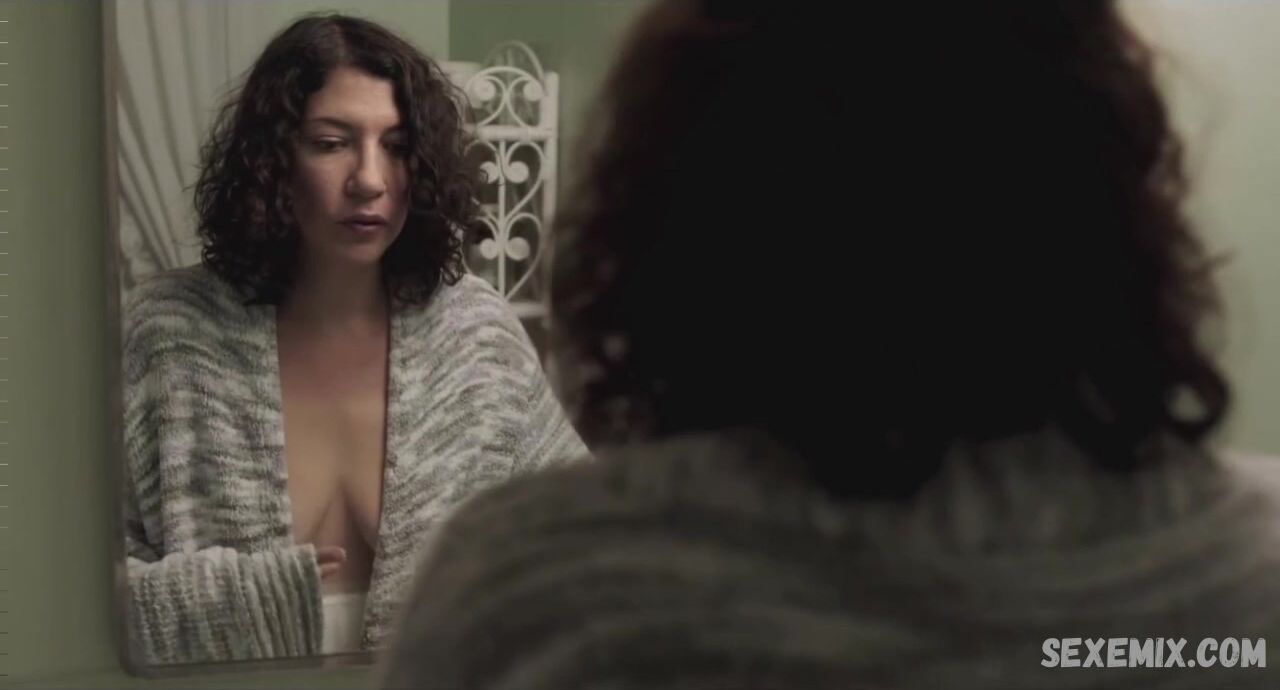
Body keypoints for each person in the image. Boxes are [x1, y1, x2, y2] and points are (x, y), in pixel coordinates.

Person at [376, 1, 1280, 688]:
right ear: (1111, 201)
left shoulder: (535, 598)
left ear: (679, 212)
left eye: (391, 144)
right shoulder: (1255, 570)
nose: (368, 179)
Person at [121, 13, 587, 665]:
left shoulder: (477, 335)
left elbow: (588, 551)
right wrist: (237, 600)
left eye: (397, 146)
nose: (370, 179)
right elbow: (59, 586)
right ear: (273, 160)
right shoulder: (167, 333)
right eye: (332, 142)